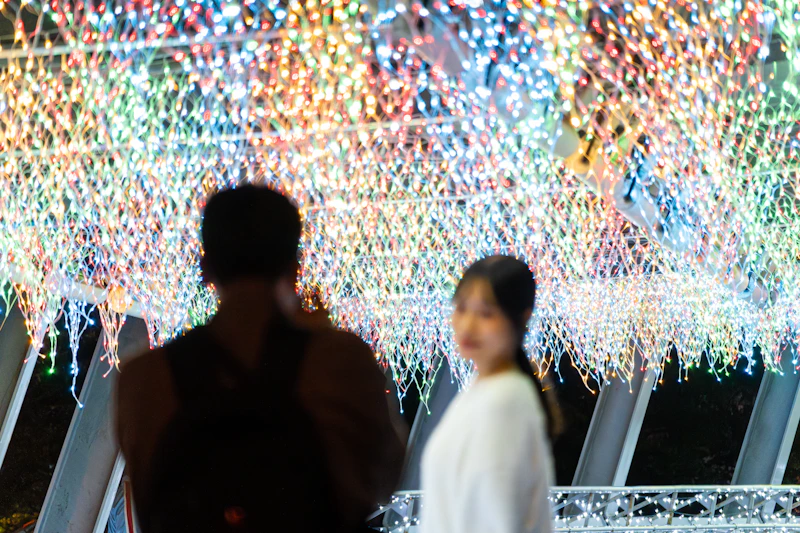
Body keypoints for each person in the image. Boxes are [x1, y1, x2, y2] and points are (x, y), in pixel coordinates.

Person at [116, 185, 406, 533]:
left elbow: (148, 497)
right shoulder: (341, 360)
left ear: (206, 267)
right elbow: (382, 478)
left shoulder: (144, 379)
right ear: (294, 266)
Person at [420, 255, 561, 533]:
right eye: (461, 308)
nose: (468, 326)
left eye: (486, 313)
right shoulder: (484, 392)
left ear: (521, 319)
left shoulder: (505, 401)